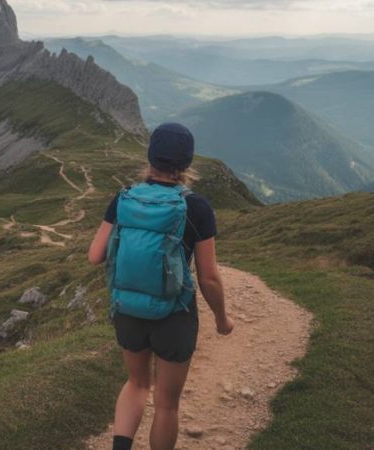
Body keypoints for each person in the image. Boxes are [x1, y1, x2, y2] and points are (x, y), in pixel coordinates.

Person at [88, 123, 234, 450]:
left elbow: (95, 255)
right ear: (186, 163)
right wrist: (222, 319)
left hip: (127, 310)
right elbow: (209, 277)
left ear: (150, 156)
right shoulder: (196, 207)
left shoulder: (124, 197)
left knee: (137, 383)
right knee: (166, 404)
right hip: (174, 315)